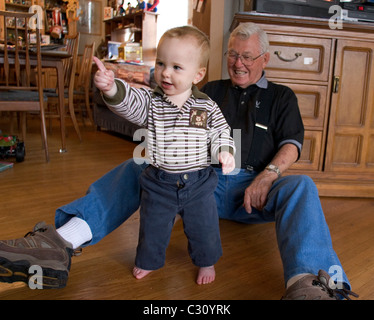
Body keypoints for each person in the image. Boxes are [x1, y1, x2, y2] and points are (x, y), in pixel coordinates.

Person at [0, 22, 358, 299]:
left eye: (247, 56)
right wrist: (113, 88)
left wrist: (269, 175)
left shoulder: (282, 97)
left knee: (302, 186)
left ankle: (313, 284)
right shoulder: (207, 91)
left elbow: (293, 144)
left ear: (264, 58)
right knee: (140, 165)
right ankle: (59, 244)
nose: (238, 62)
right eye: (233, 54)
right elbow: (145, 103)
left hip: (256, 186)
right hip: (205, 183)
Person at [93, 25, 235, 284]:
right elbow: (130, 102)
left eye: (176, 67)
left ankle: (206, 262)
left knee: (204, 227)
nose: (165, 73)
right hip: (160, 182)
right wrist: (111, 89)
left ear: (198, 74)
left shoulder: (205, 106)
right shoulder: (152, 102)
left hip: (199, 182)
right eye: (160, 63)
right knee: (152, 227)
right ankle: (149, 261)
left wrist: (225, 151)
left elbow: (221, 131)